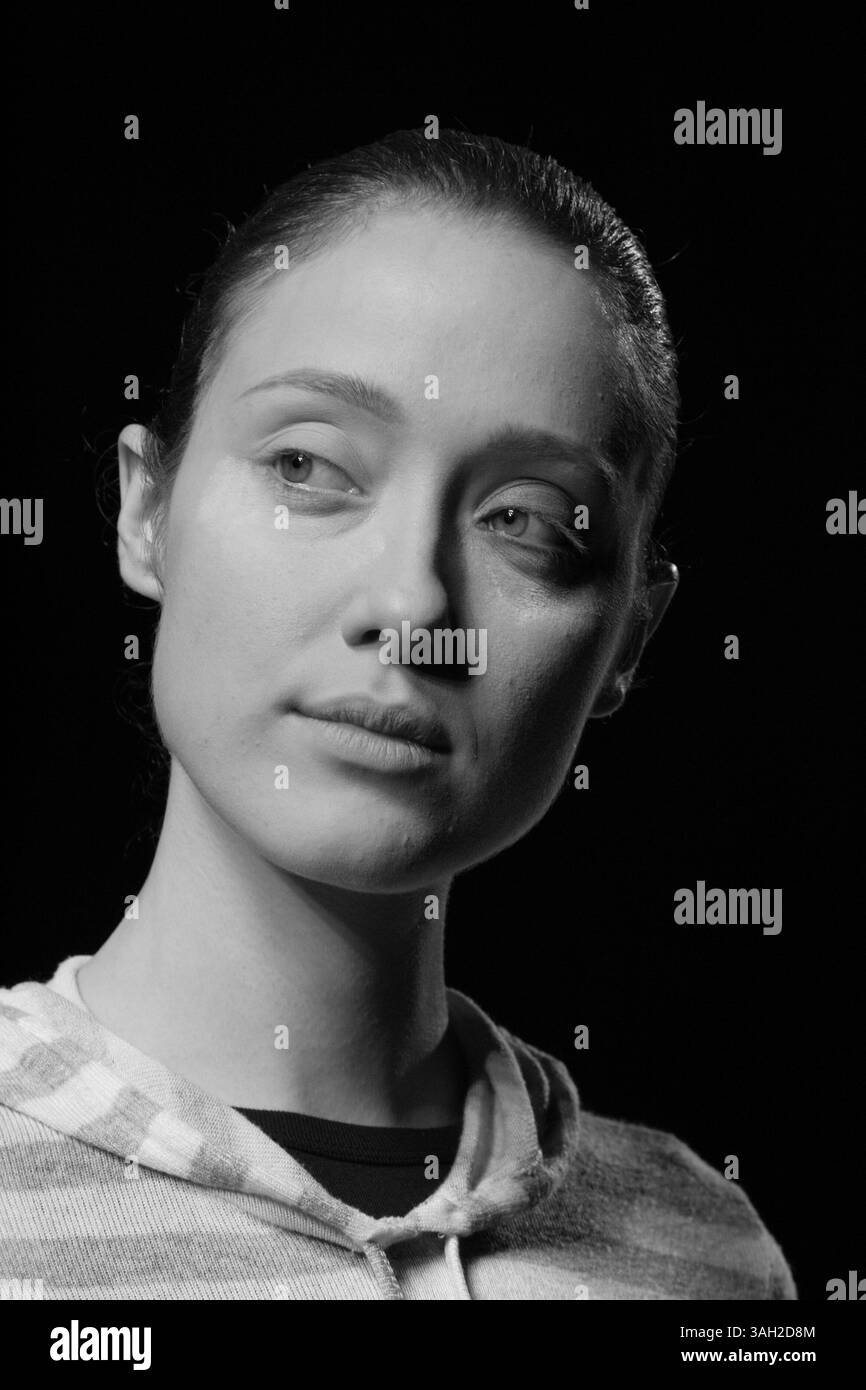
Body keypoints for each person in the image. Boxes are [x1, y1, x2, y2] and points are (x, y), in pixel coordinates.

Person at [0, 128, 795, 1300]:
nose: (413, 602)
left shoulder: (710, 1259)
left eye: (527, 519)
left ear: (626, 637)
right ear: (146, 509)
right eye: (310, 467)